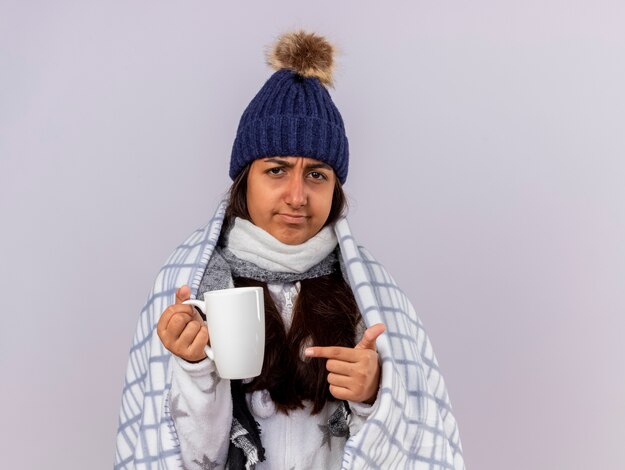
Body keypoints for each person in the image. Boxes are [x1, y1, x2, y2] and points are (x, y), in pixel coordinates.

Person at [114, 30, 465, 470]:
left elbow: (416, 439)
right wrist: (192, 367)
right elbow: (186, 456)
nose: (297, 196)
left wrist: (375, 394)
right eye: (277, 170)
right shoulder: (190, 284)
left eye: (316, 175)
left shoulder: (367, 293)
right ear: (245, 179)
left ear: (336, 187)